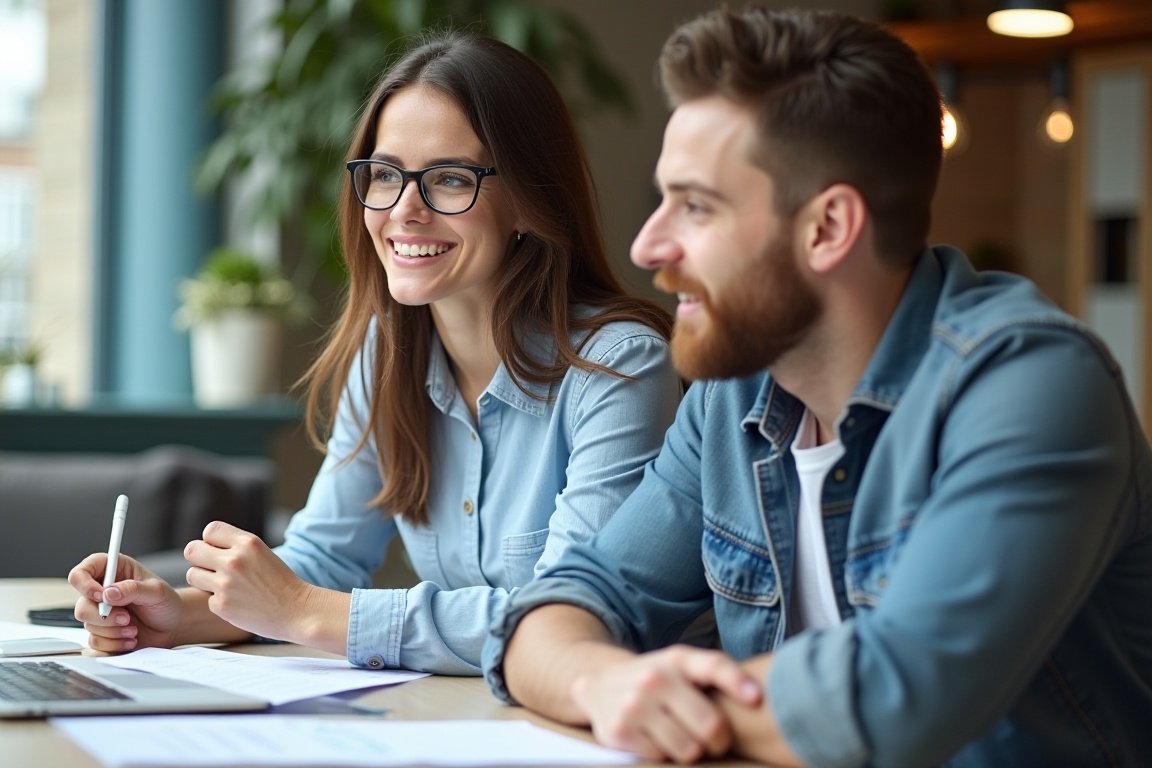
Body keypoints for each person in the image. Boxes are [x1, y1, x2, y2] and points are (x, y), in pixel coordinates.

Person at [486, 7, 1152, 767]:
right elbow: (566, 603)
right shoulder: (732, 391)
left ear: (828, 227)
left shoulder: (1033, 386)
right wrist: (603, 681)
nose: (646, 246)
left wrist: (664, 700)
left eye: (696, 206)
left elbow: (899, 695)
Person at [67, 32, 679, 675]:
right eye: (384, 174)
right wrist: (178, 615)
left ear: (528, 199)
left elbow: (567, 618)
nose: (403, 211)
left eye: (448, 179)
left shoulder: (620, 368)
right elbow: (323, 558)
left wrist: (303, 609)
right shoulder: (390, 350)